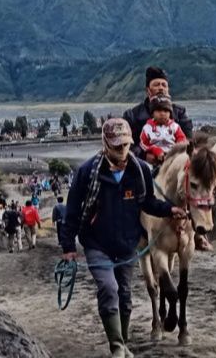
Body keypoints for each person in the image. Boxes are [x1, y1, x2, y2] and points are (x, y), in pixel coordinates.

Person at [60, 118, 187, 358]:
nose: (122, 150)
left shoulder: (139, 170)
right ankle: (117, 347)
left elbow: (148, 202)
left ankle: (124, 341)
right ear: (105, 143)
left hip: (128, 243)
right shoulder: (87, 172)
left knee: (125, 295)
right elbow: (73, 212)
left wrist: (170, 210)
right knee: (109, 289)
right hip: (96, 244)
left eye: (126, 144)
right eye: (116, 145)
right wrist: (68, 247)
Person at [123, 66, 193, 158]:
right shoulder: (132, 115)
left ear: (168, 90)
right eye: (156, 84)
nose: (161, 88)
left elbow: (188, 139)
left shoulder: (180, 113)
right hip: (143, 164)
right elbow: (125, 144)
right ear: (148, 90)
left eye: (164, 85)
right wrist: (144, 155)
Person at [139, 96, 187, 166]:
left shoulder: (175, 126)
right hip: (154, 157)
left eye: (165, 111)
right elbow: (143, 144)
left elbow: (182, 139)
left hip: (172, 155)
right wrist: (154, 150)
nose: (162, 113)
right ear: (152, 113)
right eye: (158, 110)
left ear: (170, 113)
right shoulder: (147, 128)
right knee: (147, 169)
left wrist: (176, 150)